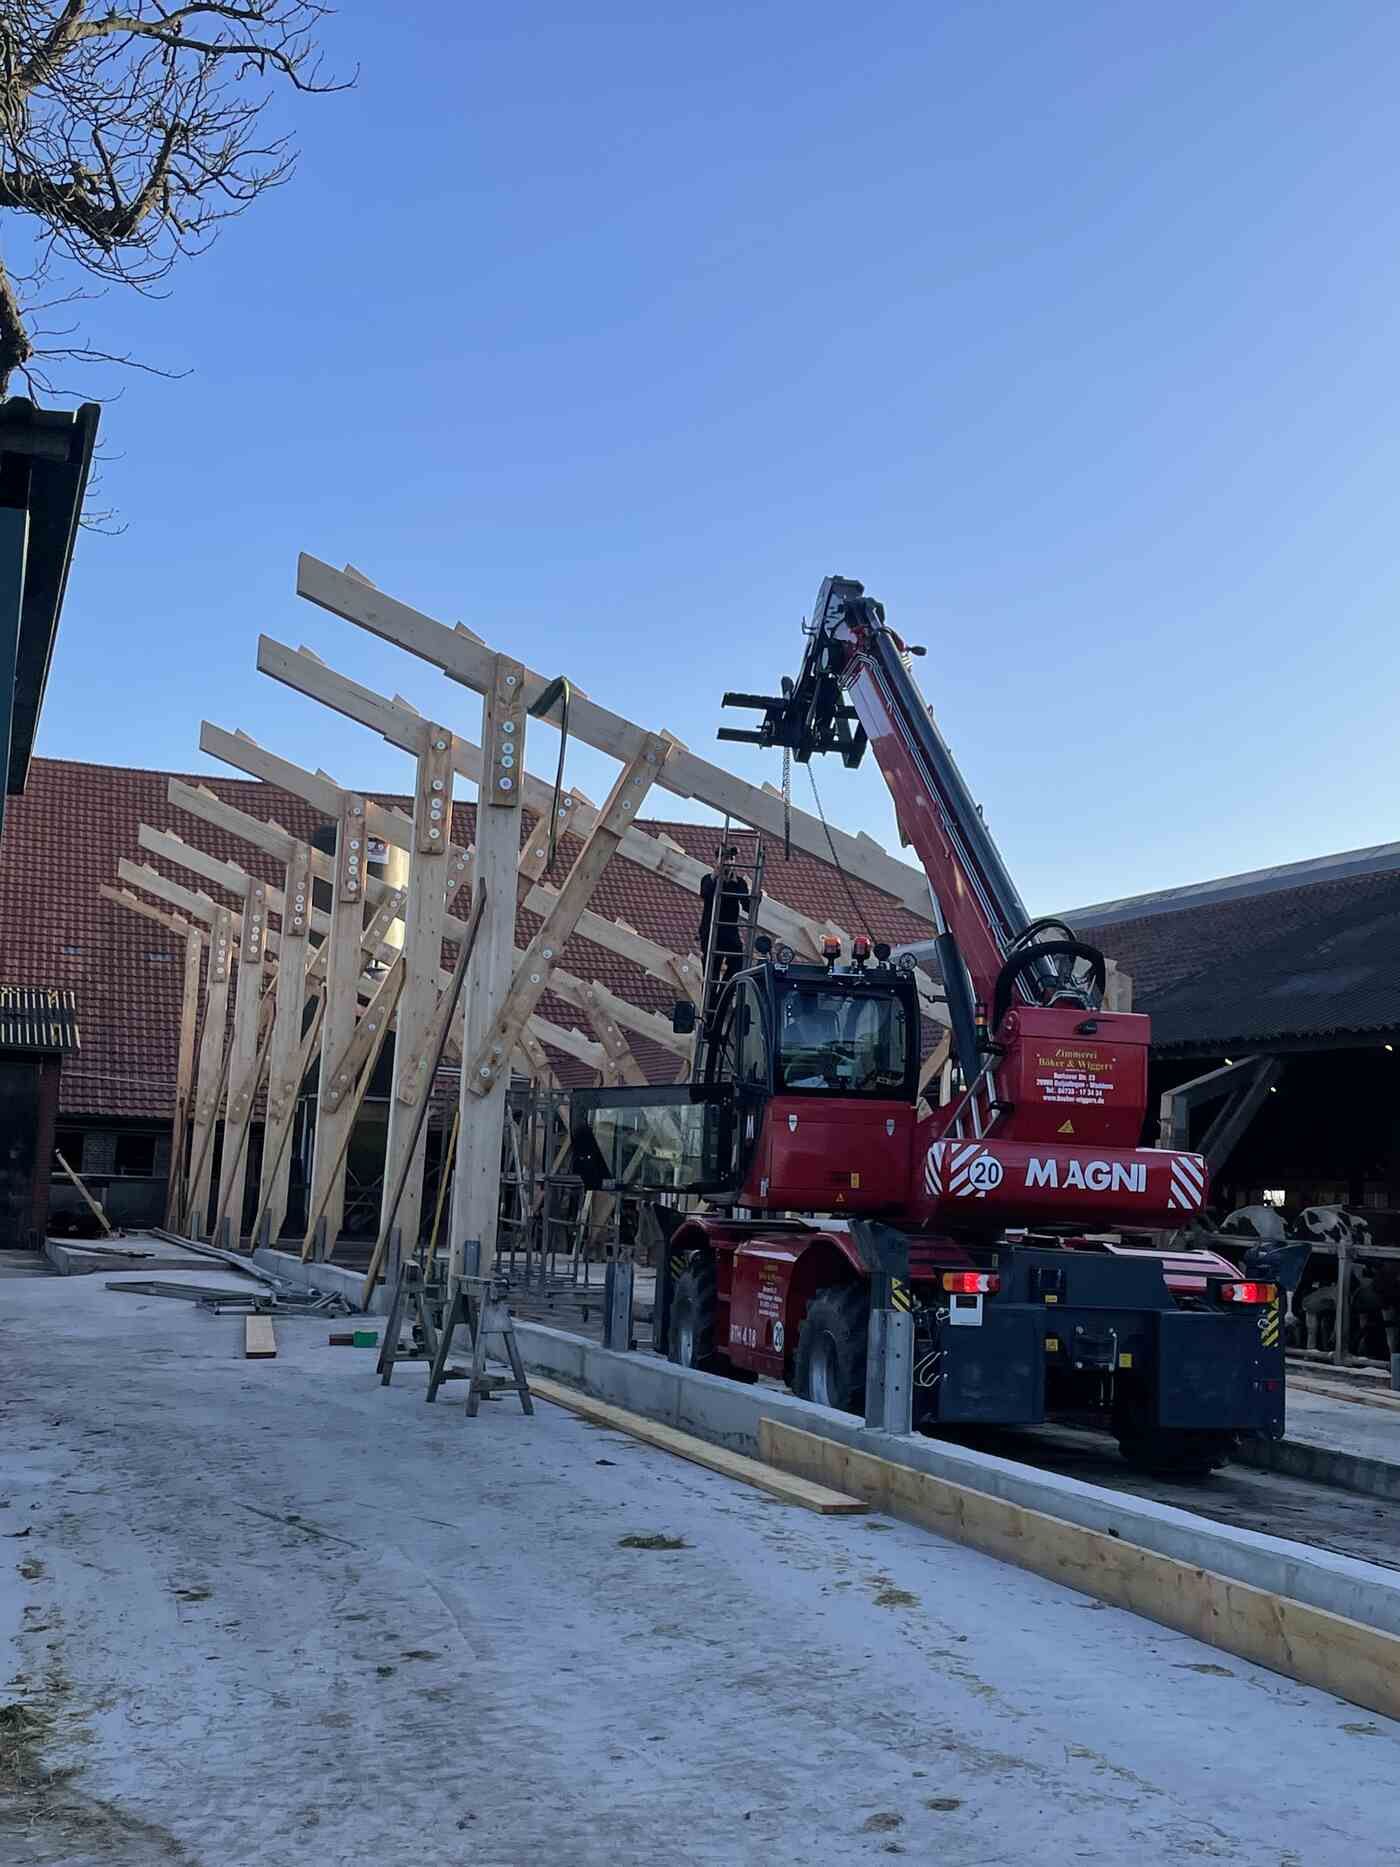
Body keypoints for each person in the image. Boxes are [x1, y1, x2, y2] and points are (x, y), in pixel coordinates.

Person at [698, 844, 750, 994]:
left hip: (729, 932)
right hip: (711, 931)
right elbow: (706, 893)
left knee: (738, 963)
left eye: (731, 858)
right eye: (725, 858)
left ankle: (723, 995)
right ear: (717, 861)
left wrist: (756, 898)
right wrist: (716, 874)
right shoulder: (708, 879)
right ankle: (711, 1000)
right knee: (711, 971)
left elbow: (747, 907)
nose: (729, 862)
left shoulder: (739, 882)